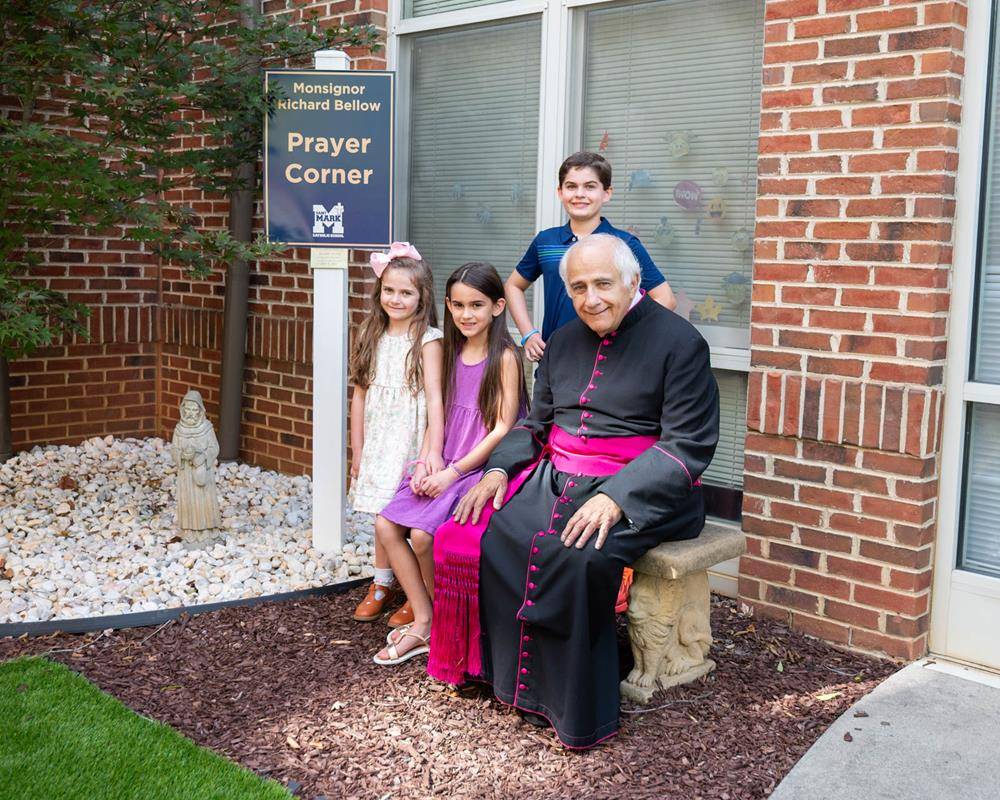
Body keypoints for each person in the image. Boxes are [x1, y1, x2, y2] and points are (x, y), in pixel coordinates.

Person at [450, 233, 719, 749]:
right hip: (564, 476)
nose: (591, 298)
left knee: (578, 556)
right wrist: (499, 472)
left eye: (603, 284)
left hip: (649, 490)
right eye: (578, 287)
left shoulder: (681, 343)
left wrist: (619, 496)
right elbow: (536, 425)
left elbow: (688, 445)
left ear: (632, 282)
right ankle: (514, 685)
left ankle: (576, 708)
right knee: (503, 533)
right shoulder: (565, 342)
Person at [372, 263, 527, 665]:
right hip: (444, 456)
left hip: (478, 466)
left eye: (476, 305)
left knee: (423, 536)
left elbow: (501, 429)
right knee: (386, 524)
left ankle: (441, 621)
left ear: (497, 307)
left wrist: (451, 473)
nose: (466, 314)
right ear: (446, 305)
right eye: (457, 305)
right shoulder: (445, 350)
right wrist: (427, 459)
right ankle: (423, 618)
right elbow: (435, 414)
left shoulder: (504, 357)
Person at [348, 242, 444, 626]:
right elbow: (359, 394)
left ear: (422, 297)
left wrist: (430, 451)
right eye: (389, 290)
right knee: (380, 514)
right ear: (378, 291)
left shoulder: (428, 339)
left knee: (400, 516)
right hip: (379, 440)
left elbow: (436, 400)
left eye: (406, 292)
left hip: (411, 440)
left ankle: (414, 590)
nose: (396, 298)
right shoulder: (371, 331)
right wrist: (357, 449)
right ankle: (382, 582)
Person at [505, 151, 677, 363]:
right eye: (571, 186)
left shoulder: (624, 244)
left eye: (590, 186)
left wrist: (625, 334)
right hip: (556, 359)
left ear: (607, 193)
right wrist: (528, 334)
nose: (579, 194)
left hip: (609, 362)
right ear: (560, 192)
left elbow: (665, 299)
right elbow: (513, 286)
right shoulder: (545, 241)